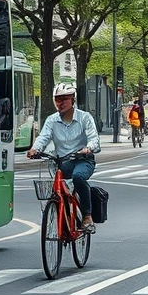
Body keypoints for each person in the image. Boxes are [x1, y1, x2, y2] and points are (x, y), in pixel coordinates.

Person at [28, 83, 101, 233]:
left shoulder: (84, 118)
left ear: (73, 99)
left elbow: (94, 138)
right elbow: (44, 136)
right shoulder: (51, 120)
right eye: (57, 99)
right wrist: (35, 149)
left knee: (78, 178)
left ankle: (87, 216)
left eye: (64, 99)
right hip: (62, 162)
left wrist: (88, 148)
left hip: (83, 160)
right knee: (58, 185)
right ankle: (62, 211)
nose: (60, 103)